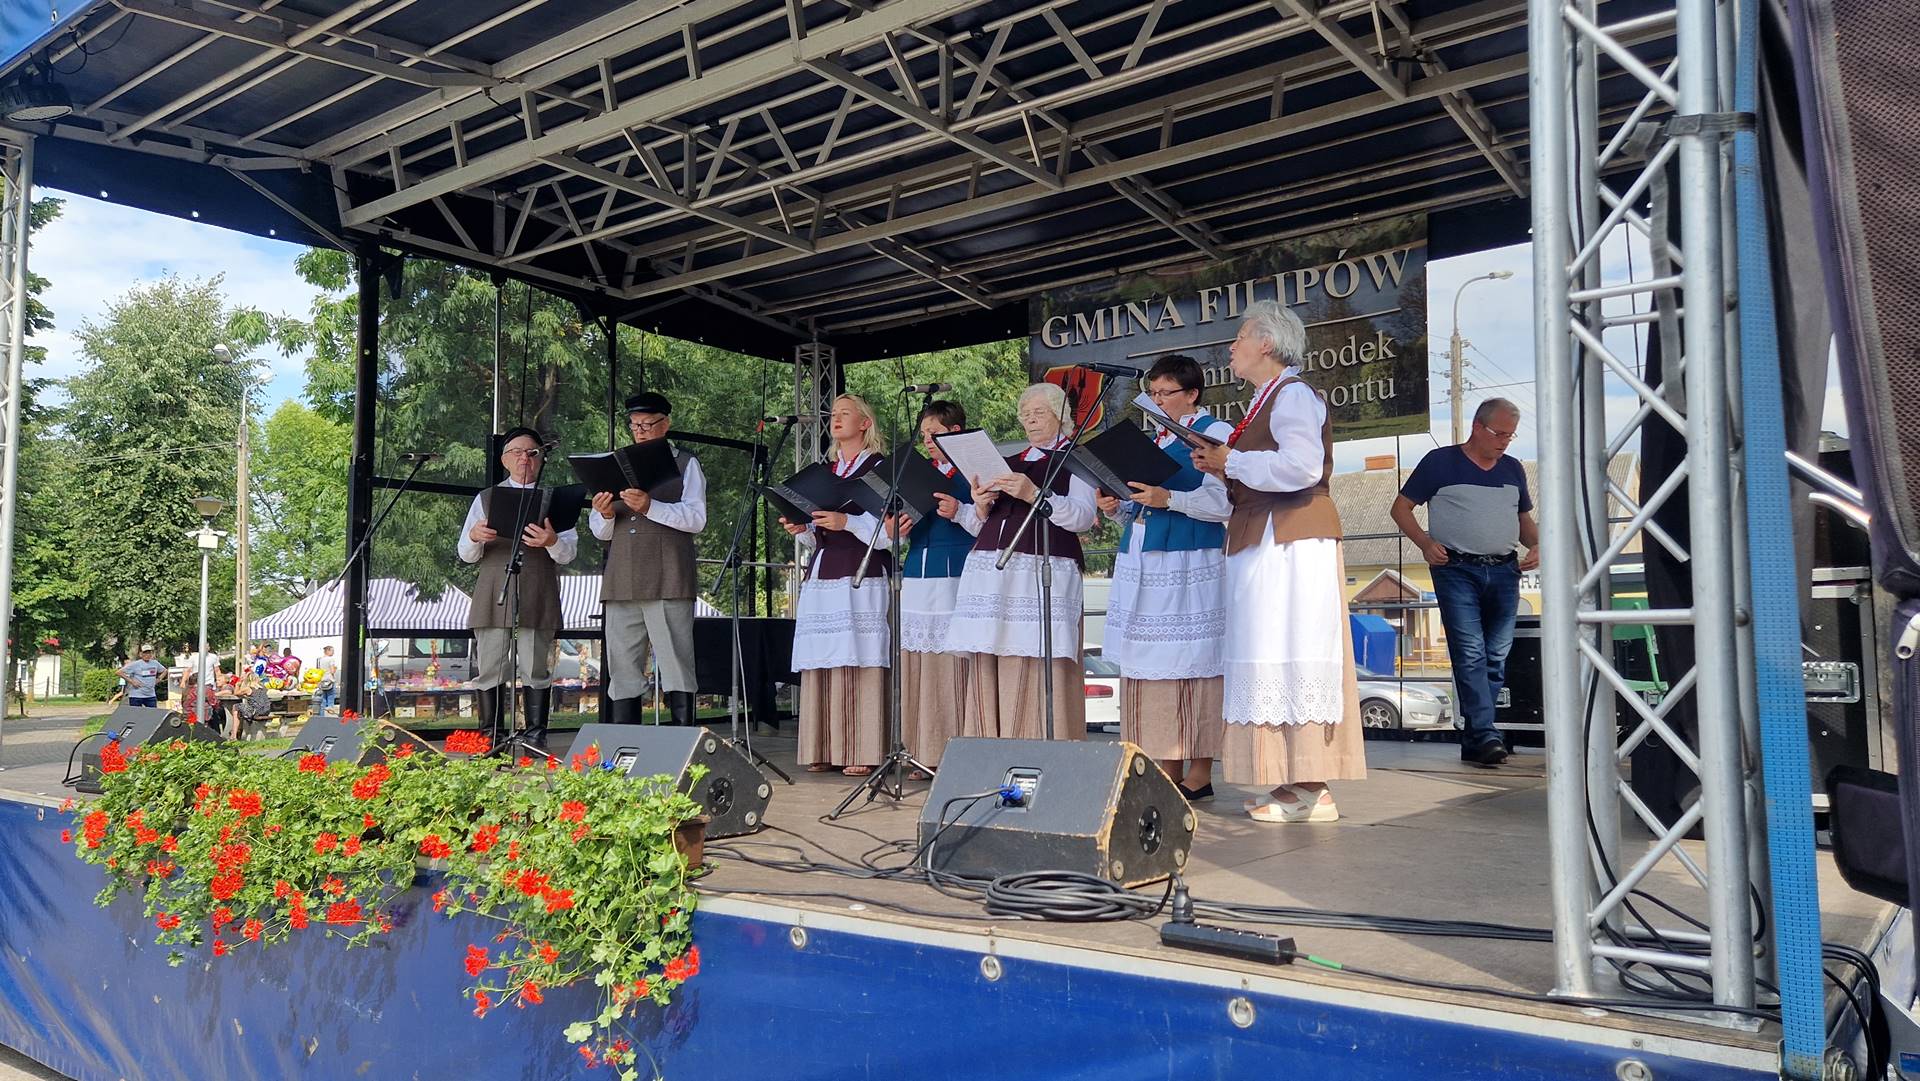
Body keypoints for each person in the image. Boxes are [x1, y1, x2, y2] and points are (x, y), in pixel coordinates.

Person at [1192, 300, 1366, 823]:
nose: (1231, 347)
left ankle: (1313, 786)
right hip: (1265, 534)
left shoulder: (1293, 395)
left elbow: (1302, 466)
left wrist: (1233, 460)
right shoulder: (1266, 399)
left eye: (1240, 337)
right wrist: (1224, 468)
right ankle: (1295, 781)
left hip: (1292, 538)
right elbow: (1265, 467)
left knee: (1295, 646)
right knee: (1273, 648)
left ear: (1267, 344)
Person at [1096, 354, 1234, 800]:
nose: (1157, 401)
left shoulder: (1215, 433)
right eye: (1152, 393)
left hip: (1188, 561)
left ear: (1192, 393)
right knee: (1156, 671)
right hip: (1145, 559)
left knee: (1195, 666)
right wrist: (1118, 507)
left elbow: (1224, 503)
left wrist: (1168, 498)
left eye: (1165, 393)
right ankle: (1167, 763)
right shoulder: (1157, 437)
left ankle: (1201, 771)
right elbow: (1144, 506)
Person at [1390, 397, 1540, 767]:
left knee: (1496, 655)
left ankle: (1476, 737)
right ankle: (1486, 733)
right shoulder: (1439, 462)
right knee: (1471, 652)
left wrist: (1538, 544)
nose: (1505, 441)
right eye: (1499, 433)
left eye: (1510, 435)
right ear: (1477, 427)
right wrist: (1425, 543)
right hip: (1455, 568)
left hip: (1505, 570)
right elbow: (1401, 508)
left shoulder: (1513, 469)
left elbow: (1523, 520)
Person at [943, 382, 1097, 741]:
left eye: (1039, 412)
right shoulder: (1007, 463)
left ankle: (1041, 744)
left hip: (1040, 569)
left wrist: (1034, 494)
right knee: (989, 658)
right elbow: (983, 524)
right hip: (992, 573)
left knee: (1037, 659)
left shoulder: (1076, 460)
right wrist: (980, 504)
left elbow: (1082, 517)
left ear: (1061, 415)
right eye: (1025, 414)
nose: (1030, 419)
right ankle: (989, 745)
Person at [780, 395, 890, 775]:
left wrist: (848, 523)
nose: (836, 419)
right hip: (824, 570)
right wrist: (804, 528)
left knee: (858, 658)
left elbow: (891, 534)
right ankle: (823, 745)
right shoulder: (826, 471)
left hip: (862, 572)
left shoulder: (879, 468)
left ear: (865, 423)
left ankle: (861, 748)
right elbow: (819, 536)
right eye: (833, 414)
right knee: (822, 659)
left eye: (845, 413)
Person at [589, 391, 709, 726]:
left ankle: (682, 739)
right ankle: (625, 741)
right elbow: (600, 531)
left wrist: (650, 506)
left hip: (668, 576)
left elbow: (696, 519)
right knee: (622, 667)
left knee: (675, 663)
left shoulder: (685, 463)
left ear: (665, 424)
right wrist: (604, 513)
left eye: (647, 424)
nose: (640, 431)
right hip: (621, 578)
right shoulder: (615, 464)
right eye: (634, 425)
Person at [458, 426, 578, 749]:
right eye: (517, 452)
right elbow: (465, 554)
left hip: (538, 586)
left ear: (540, 459)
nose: (525, 458)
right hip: (495, 586)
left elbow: (569, 553)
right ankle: (492, 738)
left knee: (535, 665)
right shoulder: (486, 498)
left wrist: (552, 541)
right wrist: (474, 537)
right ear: (504, 460)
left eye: (532, 453)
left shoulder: (555, 500)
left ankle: (535, 736)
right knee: (490, 666)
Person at [887, 400, 976, 773]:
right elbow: (896, 530)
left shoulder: (971, 471)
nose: (926, 440)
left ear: (955, 432)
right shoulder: (916, 475)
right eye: (923, 434)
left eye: (934, 433)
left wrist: (960, 512)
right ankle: (920, 749)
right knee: (918, 666)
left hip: (956, 573)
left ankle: (954, 752)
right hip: (917, 576)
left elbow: (987, 526)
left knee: (950, 665)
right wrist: (894, 529)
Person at [118, 645, 167, 710]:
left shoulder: (155, 663)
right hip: (136, 695)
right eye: (145, 653)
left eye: (149, 653)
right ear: (141, 654)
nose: (147, 655)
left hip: (150, 695)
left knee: (152, 713)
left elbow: (165, 671)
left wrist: (159, 679)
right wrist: (132, 682)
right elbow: (119, 672)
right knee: (136, 714)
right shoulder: (135, 664)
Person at [314, 644, 340, 715]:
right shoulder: (331, 659)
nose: (333, 652)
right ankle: (330, 715)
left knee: (323, 700)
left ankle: (322, 715)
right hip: (329, 680)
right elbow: (332, 671)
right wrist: (335, 668)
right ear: (328, 651)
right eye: (332, 651)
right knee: (330, 699)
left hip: (322, 681)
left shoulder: (320, 660)